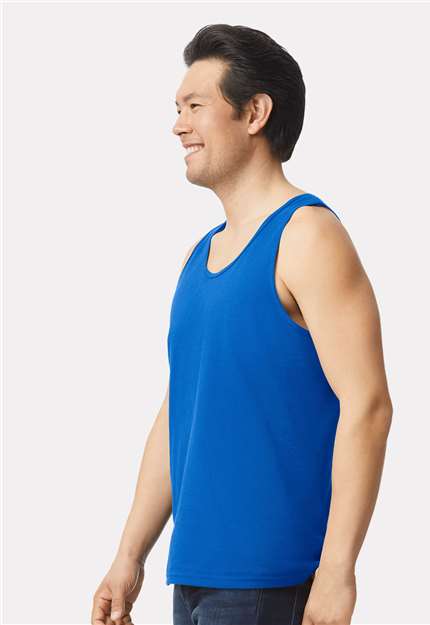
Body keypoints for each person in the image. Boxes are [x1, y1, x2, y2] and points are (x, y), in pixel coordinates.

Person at [91, 23, 393, 625]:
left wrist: (337, 571)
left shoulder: (307, 236)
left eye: (195, 106)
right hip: (193, 578)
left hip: (270, 581)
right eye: (177, 109)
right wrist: (129, 556)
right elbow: (179, 410)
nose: (178, 126)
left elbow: (368, 405)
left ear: (254, 113)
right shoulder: (197, 256)